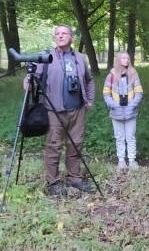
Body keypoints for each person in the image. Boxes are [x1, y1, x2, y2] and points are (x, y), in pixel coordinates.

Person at [26, 25, 96, 196]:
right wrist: (28, 82)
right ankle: (53, 182)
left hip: (77, 109)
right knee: (53, 146)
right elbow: (32, 77)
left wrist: (89, 100)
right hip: (53, 110)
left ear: (72, 37)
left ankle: (75, 178)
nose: (60, 36)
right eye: (57, 33)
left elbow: (89, 80)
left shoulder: (79, 58)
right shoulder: (46, 57)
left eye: (64, 33)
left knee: (76, 145)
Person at [103, 52, 144, 171]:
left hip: (131, 112)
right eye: (124, 58)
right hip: (116, 112)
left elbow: (139, 92)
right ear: (118, 60)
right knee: (119, 137)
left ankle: (132, 160)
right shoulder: (111, 75)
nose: (126, 60)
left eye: (128, 58)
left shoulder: (133, 74)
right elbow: (106, 93)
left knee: (130, 137)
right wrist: (113, 104)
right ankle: (121, 160)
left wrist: (133, 104)